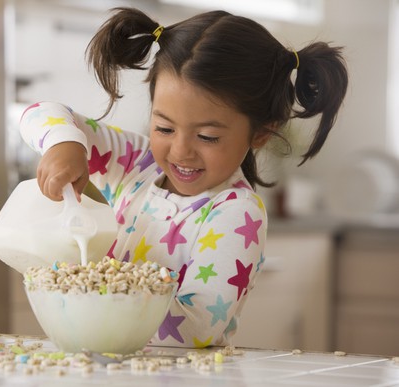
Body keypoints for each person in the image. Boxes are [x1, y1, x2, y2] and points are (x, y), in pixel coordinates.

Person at [19, 7, 348, 348]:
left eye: (206, 136)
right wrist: (65, 144)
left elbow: (192, 330)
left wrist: (91, 293)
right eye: (164, 127)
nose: (181, 151)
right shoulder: (135, 163)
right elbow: (40, 112)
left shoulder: (236, 212)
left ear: (262, 133)